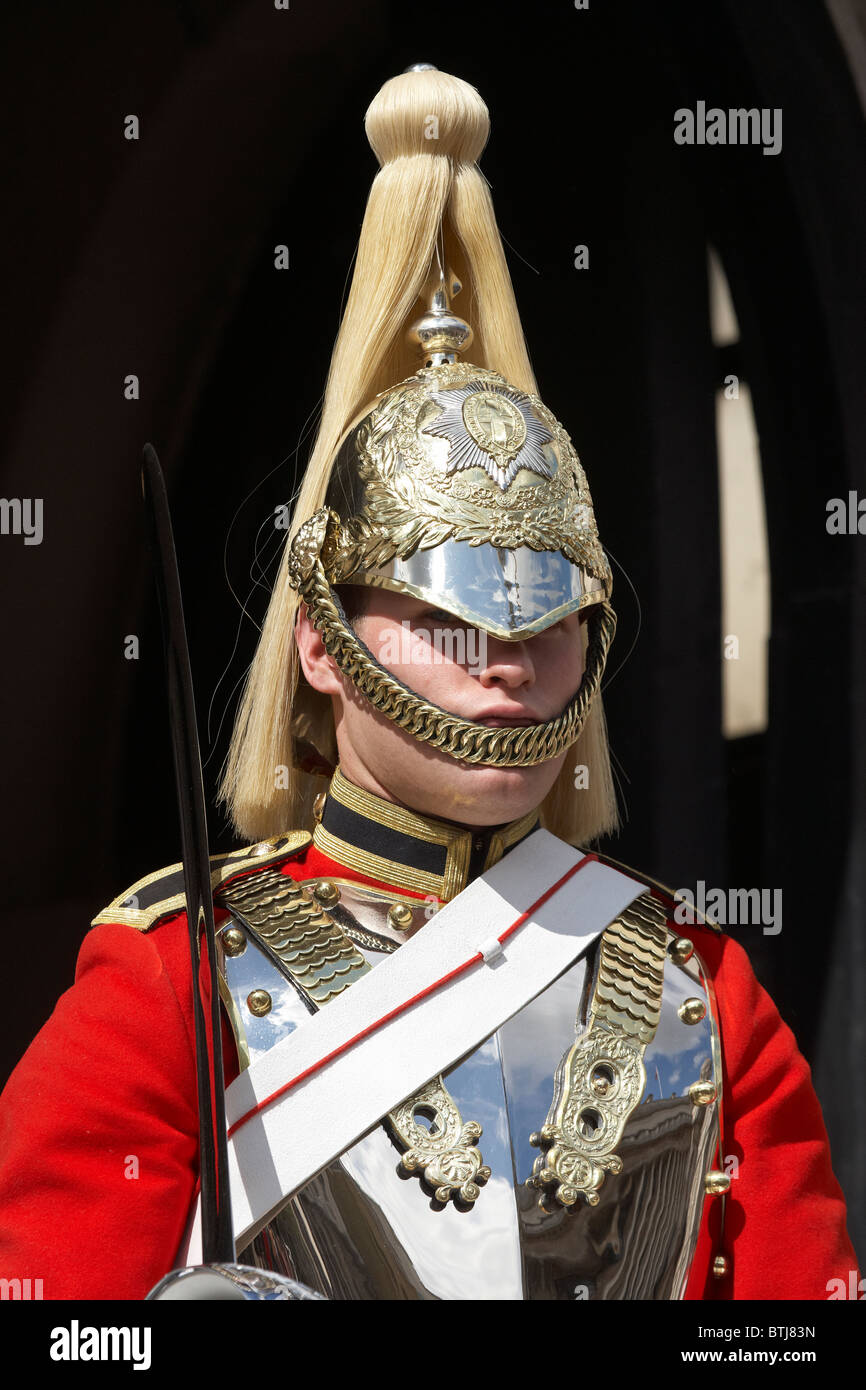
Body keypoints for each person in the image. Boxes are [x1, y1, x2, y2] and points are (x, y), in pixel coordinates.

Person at [0, 66, 857, 1302]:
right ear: (319, 646)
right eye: (441, 620)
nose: (503, 661)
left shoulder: (696, 980)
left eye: (547, 621)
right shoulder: (169, 980)